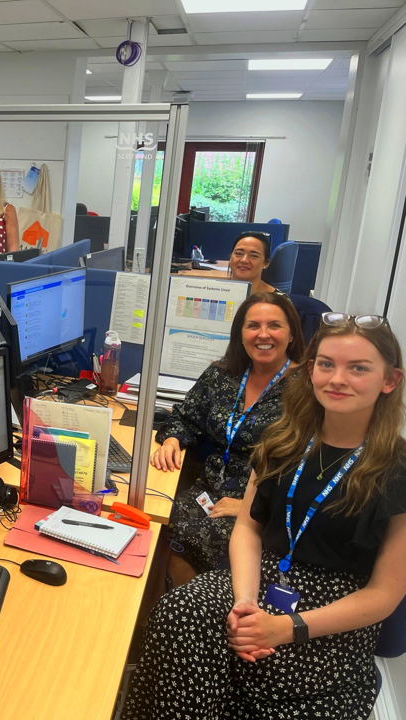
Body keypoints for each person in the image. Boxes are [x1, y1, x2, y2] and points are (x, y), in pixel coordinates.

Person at [124, 314, 406, 719]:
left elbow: (385, 594)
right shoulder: (282, 441)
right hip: (262, 578)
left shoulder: (397, 469)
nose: (337, 378)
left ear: (389, 380)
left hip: (335, 607)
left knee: (270, 676)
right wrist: (243, 603)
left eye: (358, 368)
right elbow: (248, 530)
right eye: (326, 364)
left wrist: (286, 627)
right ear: (311, 370)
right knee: (179, 612)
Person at [151, 292, 305, 582]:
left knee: (188, 535)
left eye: (274, 325)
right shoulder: (222, 374)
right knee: (154, 515)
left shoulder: (306, 389)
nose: (263, 334)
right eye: (252, 326)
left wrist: (253, 507)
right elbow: (185, 416)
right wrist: (172, 439)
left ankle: (188, 612)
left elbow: (306, 469)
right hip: (206, 490)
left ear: (292, 334)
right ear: (240, 333)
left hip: (259, 508)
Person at [227, 231, 280, 296]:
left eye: (254, 256)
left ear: (266, 263)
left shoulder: (278, 301)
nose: (244, 260)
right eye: (238, 253)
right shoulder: (214, 292)